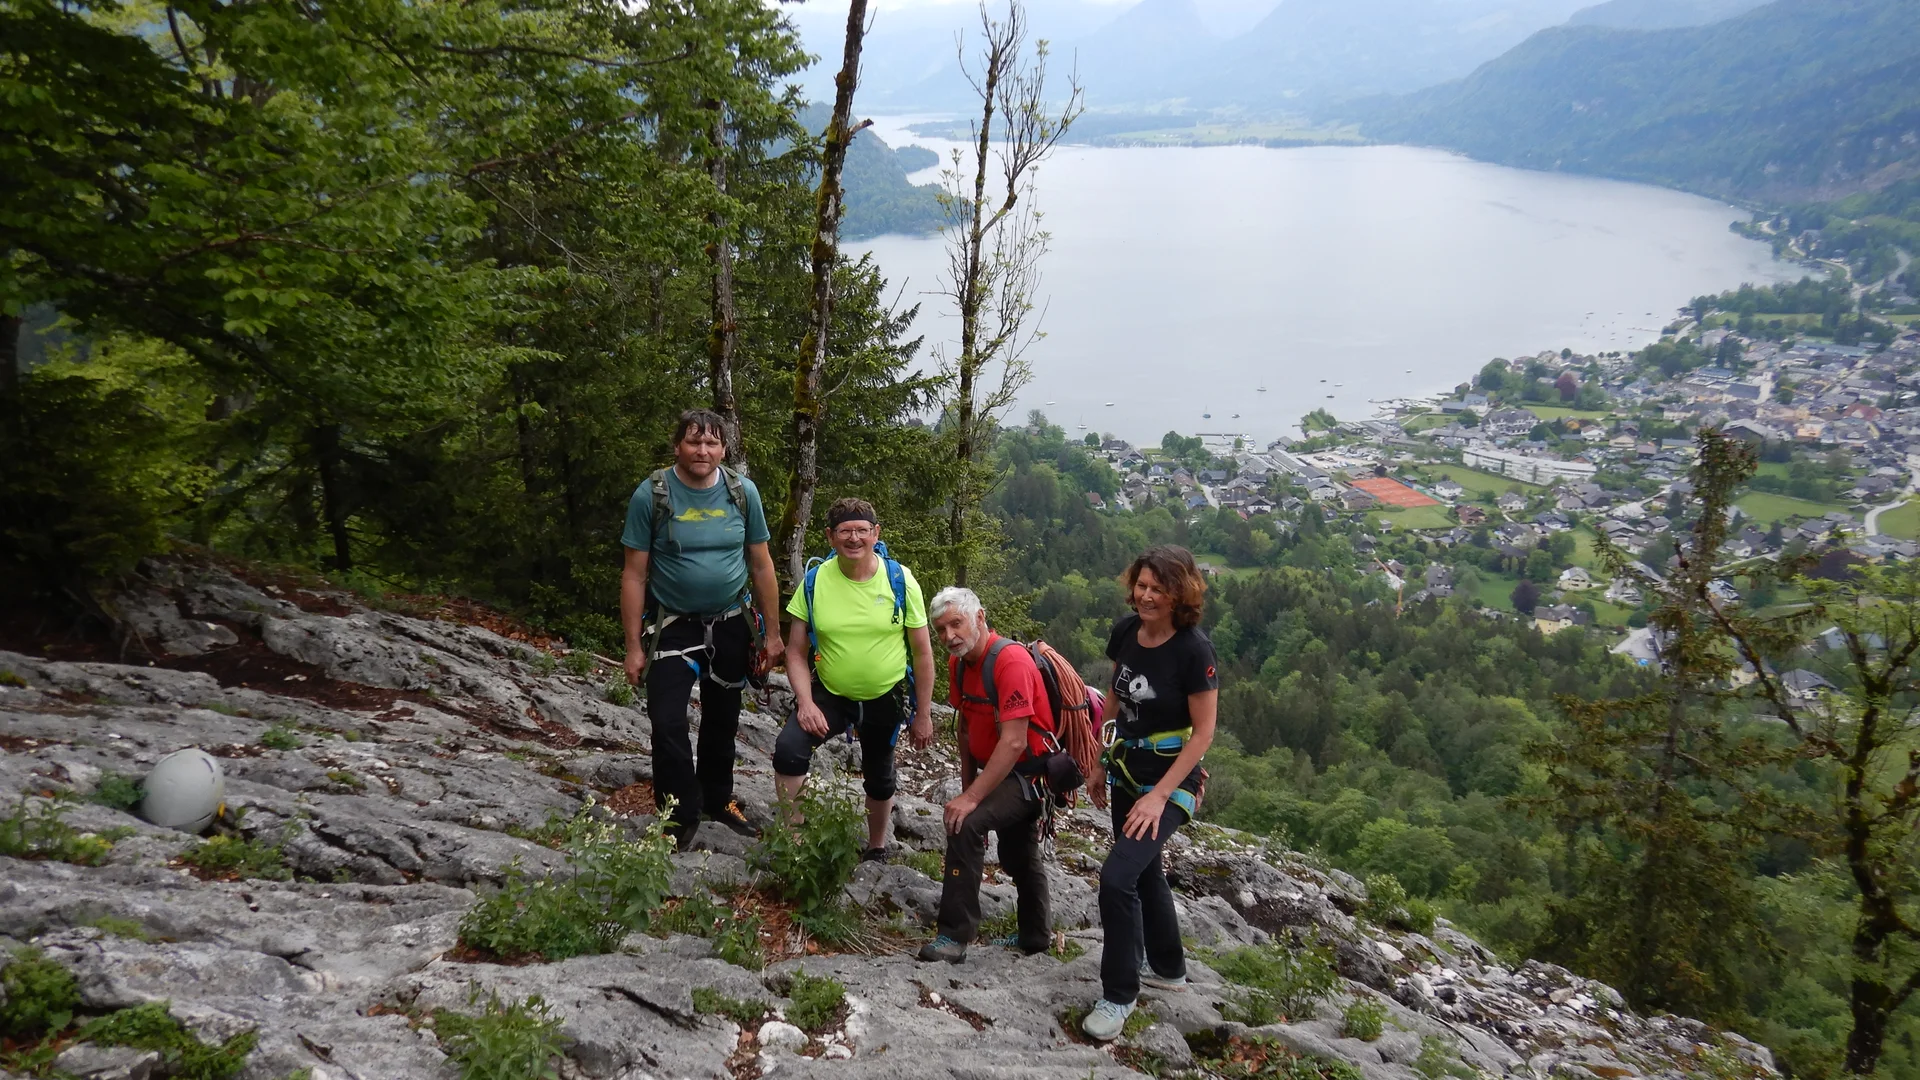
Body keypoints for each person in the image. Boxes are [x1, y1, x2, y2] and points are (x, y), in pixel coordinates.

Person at [621, 410, 784, 848]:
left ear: (724, 449)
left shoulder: (742, 492)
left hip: (731, 621)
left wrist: (772, 635)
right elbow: (634, 574)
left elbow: (761, 564)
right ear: (678, 446)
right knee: (666, 719)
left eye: (712, 443)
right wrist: (633, 646)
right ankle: (677, 813)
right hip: (672, 625)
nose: (702, 451)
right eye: (694, 442)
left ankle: (716, 799)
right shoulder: (652, 495)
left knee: (722, 718)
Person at [1081, 545, 1219, 1042]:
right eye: (1141, 585)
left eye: (1158, 589)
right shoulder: (1126, 631)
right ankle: (1168, 968)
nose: (1146, 596)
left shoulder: (1194, 650)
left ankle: (1119, 995)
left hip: (1172, 780)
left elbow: (1203, 733)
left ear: (1180, 594)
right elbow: (1114, 697)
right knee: (1144, 871)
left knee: (1117, 878)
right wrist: (1100, 759)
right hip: (1126, 770)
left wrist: (1159, 796)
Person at [774, 497, 936, 860]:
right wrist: (805, 703)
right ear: (830, 536)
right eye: (845, 531)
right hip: (831, 694)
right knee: (788, 751)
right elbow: (795, 651)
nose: (854, 538)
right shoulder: (815, 582)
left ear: (876, 533)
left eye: (862, 530)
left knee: (880, 775)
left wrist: (923, 713)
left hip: (885, 695)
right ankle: (794, 844)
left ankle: (876, 847)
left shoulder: (899, 580)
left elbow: (923, 653)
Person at [916, 586, 1055, 964]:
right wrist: (967, 789)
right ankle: (1036, 936)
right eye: (941, 629)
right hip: (999, 772)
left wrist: (972, 799)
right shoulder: (960, 664)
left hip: (1028, 776)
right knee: (1017, 853)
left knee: (966, 824)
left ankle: (953, 936)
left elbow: (1014, 741)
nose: (949, 636)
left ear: (979, 618)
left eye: (956, 624)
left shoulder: (1011, 662)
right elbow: (964, 730)